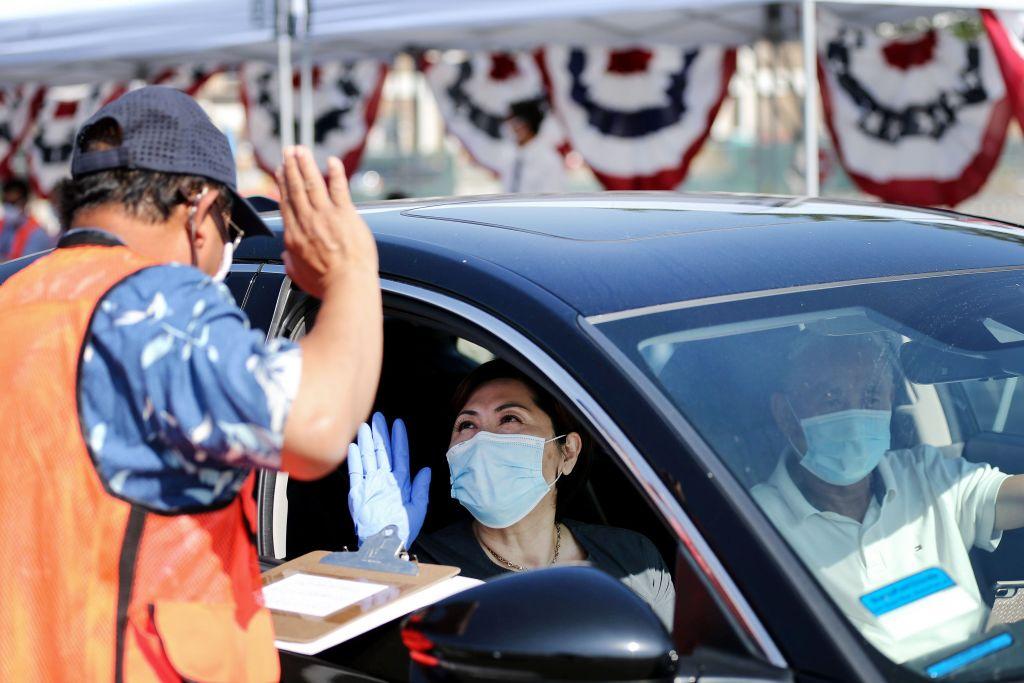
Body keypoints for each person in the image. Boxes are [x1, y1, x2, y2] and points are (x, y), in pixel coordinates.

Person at [0, 86, 382, 681]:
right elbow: (317, 428)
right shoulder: (154, 299)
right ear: (199, 209)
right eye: (231, 228)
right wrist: (352, 275)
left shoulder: (16, 299)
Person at [752, 332, 1024, 663]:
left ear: (890, 399)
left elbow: (1014, 498)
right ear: (785, 413)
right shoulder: (753, 524)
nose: (855, 415)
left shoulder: (924, 473)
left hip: (986, 667)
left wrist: (1010, 615)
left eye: (871, 396)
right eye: (831, 398)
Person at [347, 359, 675, 627]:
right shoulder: (423, 565)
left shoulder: (635, 558)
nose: (482, 440)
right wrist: (378, 559)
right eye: (467, 424)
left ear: (567, 452)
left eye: (509, 419)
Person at [501, 99, 566, 194]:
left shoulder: (548, 160)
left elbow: (552, 197)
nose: (508, 127)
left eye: (512, 122)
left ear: (525, 125)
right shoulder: (511, 156)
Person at [0, 176, 54, 260]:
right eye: (6, 202)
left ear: (25, 202)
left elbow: (27, 264)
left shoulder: (37, 233)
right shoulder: (3, 225)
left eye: (13, 203)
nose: (9, 207)